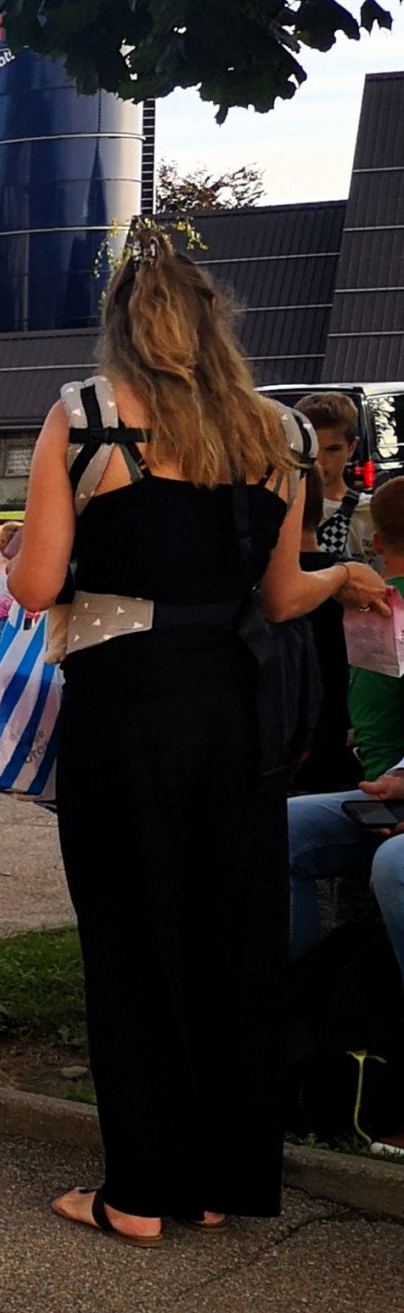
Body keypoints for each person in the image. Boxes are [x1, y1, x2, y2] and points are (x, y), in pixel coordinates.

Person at [12, 228, 388, 1245]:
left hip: (126, 702)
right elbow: (281, 593)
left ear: (121, 326)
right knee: (232, 931)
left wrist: (28, 551)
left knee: (133, 935)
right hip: (237, 702)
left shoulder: (86, 416)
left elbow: (37, 588)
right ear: (217, 321)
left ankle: (139, 1191)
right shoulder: (283, 435)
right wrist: (342, 577)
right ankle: (222, 1181)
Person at [290, 475, 404, 998]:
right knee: (278, 828)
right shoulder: (377, 604)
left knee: (393, 864)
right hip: (387, 788)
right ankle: (297, 1009)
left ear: (375, 543)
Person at [294, 467, 363, 793]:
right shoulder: (357, 584)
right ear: (322, 514)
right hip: (338, 749)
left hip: (275, 753)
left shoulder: (250, 588)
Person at [296, 392, 373, 563]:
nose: (320, 460)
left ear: (351, 447)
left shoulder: (369, 513)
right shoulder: (279, 508)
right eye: (313, 448)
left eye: (332, 450)